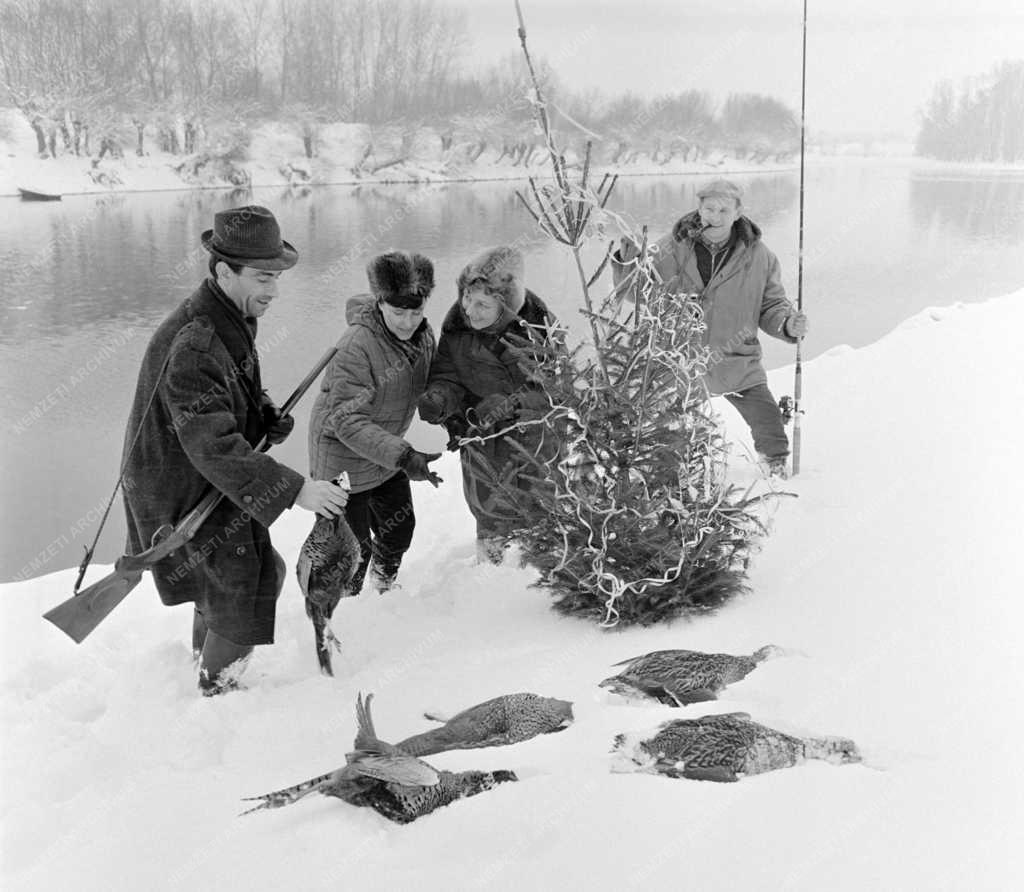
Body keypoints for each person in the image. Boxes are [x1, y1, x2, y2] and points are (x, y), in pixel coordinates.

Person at [121, 205, 350, 696]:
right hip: (182, 488)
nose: (273, 290)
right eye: (263, 278)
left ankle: (204, 664)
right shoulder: (198, 343)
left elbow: (221, 400)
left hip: (196, 476)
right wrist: (294, 490)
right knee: (244, 581)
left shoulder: (226, 313)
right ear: (224, 271)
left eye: (277, 277)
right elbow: (214, 445)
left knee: (225, 578)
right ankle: (216, 690)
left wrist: (261, 413)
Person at [613, 179, 809, 476]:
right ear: (699, 208)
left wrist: (787, 323)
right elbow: (639, 294)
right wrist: (627, 265)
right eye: (708, 209)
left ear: (738, 212)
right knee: (667, 429)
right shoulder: (670, 246)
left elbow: (771, 306)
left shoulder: (760, 256)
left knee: (768, 424)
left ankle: (776, 470)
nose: (714, 216)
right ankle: (670, 480)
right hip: (680, 360)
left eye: (723, 209)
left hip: (736, 357)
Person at [308, 250, 441, 595]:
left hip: (383, 450)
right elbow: (346, 420)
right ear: (381, 302)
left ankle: (382, 591)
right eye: (398, 312)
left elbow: (435, 383)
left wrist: (446, 407)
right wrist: (403, 456)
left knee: (399, 529)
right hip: (341, 457)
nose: (407, 321)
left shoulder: (424, 337)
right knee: (350, 552)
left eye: (416, 311)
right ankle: (343, 614)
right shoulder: (356, 345)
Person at [417, 245, 556, 564]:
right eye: (467, 298)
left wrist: (509, 403)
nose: (470, 310)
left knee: (538, 519)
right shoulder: (456, 329)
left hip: (533, 446)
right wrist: (439, 397)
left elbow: (554, 390)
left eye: (482, 304)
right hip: (484, 443)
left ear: (505, 306)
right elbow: (448, 373)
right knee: (489, 513)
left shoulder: (540, 326)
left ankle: (542, 574)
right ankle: (489, 577)